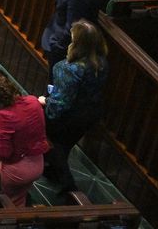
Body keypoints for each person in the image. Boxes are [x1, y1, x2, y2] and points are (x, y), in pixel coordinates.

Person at [40, 19, 108, 197]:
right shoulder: (101, 63)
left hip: (69, 117)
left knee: (56, 146)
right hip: (90, 114)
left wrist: (44, 102)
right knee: (66, 144)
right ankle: (53, 171)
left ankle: (69, 186)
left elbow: (59, 104)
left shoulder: (67, 68)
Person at [0, 67, 48, 206]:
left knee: (2, 201)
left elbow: (5, 152)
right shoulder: (33, 101)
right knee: (18, 199)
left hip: (16, 170)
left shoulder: (4, 114)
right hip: (38, 164)